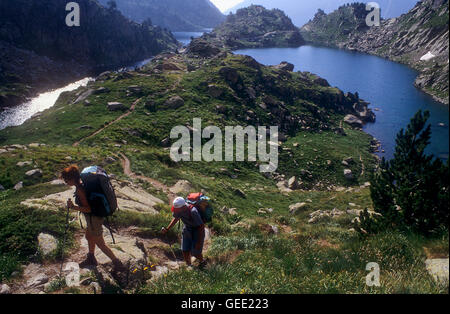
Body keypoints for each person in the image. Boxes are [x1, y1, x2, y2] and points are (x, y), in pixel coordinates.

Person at [61, 165, 125, 271]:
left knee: (101, 244)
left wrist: (73, 207)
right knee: (88, 236)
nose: (65, 182)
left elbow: (89, 209)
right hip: (94, 218)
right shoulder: (82, 184)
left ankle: (118, 264)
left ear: (72, 179)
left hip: (94, 219)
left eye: (66, 180)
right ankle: (91, 257)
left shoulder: (80, 190)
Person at [162, 197, 206, 267]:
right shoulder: (178, 210)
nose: (176, 211)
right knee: (185, 249)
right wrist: (167, 229)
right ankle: (189, 266)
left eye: (177, 209)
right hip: (187, 228)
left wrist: (199, 241)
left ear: (183, 207)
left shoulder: (193, 211)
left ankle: (202, 262)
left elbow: (201, 227)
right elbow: (176, 218)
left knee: (195, 251)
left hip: (197, 230)